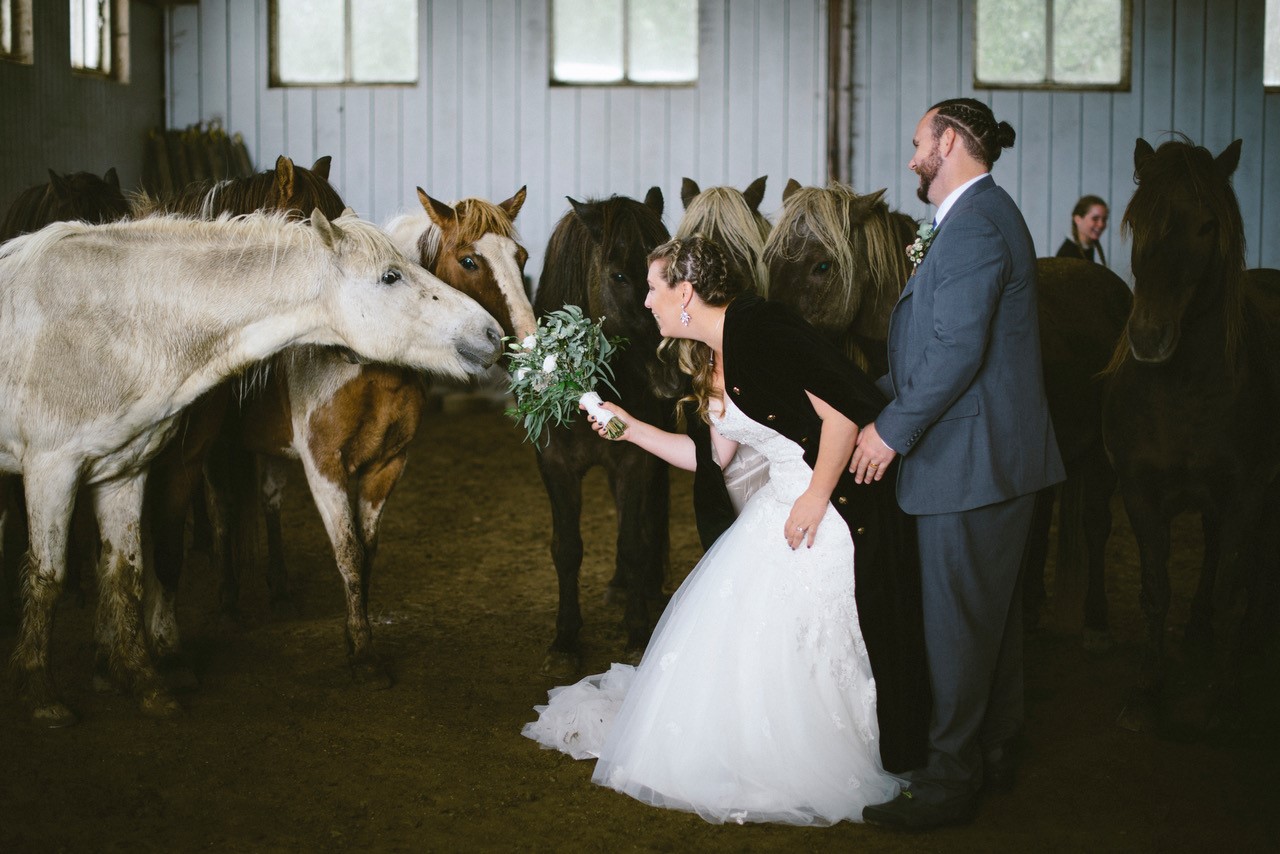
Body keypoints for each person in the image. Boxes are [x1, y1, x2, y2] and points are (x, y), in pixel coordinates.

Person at [522, 235, 902, 825]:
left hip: (818, 505)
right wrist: (629, 426)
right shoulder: (712, 353)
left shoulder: (763, 331)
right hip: (777, 505)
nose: (646, 302)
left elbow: (844, 413)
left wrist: (814, 497)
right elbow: (710, 457)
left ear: (686, 293)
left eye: (653, 289)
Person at [849, 98, 1066, 830]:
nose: (911, 158)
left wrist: (888, 433)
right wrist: (857, 400)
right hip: (991, 459)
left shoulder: (974, 227)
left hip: (971, 463)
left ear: (949, 141)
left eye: (917, 143)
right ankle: (996, 750)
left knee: (958, 631)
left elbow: (953, 355)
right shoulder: (980, 219)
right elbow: (934, 354)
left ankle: (947, 785)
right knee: (989, 625)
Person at [1055, 195, 1109, 265]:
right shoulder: (1067, 254)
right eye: (1095, 219)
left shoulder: (1087, 248)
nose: (1101, 224)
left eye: (1104, 219)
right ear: (1078, 219)